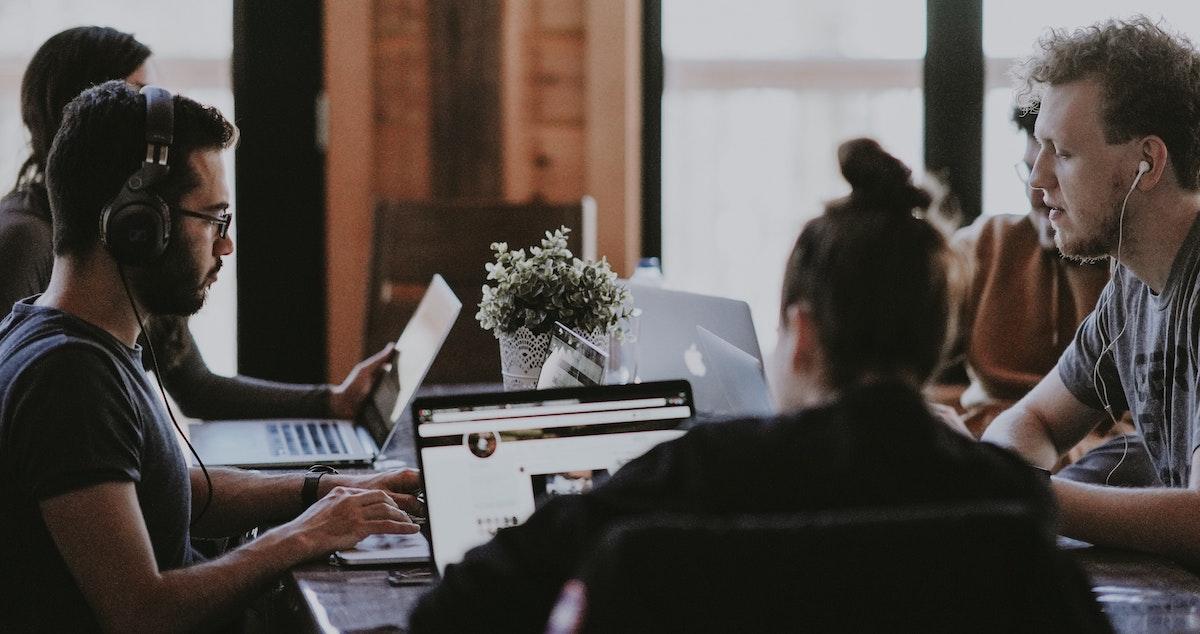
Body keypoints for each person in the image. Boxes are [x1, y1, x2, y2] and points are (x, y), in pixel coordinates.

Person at [409, 139, 1054, 631]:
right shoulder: (1009, 502)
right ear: (936, 338)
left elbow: (456, 606)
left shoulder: (700, 472)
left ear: (800, 336)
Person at [0, 81, 422, 632]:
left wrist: (327, 490)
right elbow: (141, 613)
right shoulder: (69, 378)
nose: (226, 246)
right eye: (214, 219)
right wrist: (305, 535)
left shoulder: (66, 335)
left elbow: (174, 487)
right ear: (136, 226)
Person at [0, 26, 386, 423]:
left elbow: (197, 388)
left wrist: (333, 401)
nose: (157, 122)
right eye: (136, 97)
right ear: (84, 109)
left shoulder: (147, 231)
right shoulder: (27, 239)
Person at [980, 16, 1200, 564]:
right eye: (1040, 149)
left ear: (1147, 163)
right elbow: (1032, 420)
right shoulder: (1131, 284)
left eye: (1064, 153)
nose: (1038, 180)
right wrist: (1009, 479)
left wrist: (1026, 494)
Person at [948, 105, 1157, 486]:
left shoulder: (1143, 280)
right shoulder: (986, 247)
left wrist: (1022, 490)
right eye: (1029, 169)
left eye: (1062, 165)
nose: (1038, 190)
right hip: (1008, 453)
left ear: (1145, 165)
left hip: (1101, 469)